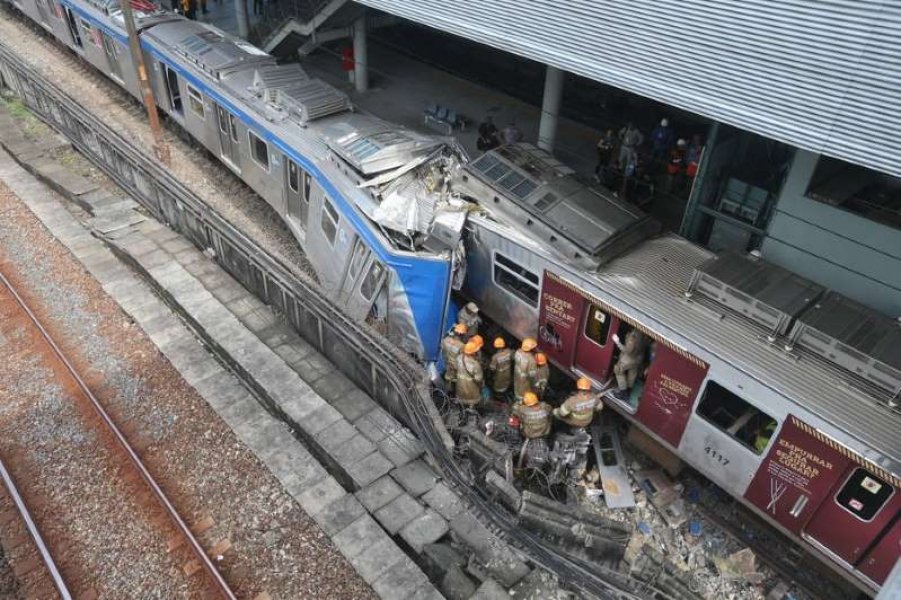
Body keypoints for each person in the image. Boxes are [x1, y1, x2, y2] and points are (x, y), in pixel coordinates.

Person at [610, 329, 649, 402]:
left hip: (629, 359)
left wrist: (617, 342)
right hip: (638, 359)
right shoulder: (646, 335)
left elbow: (627, 350)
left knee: (618, 370)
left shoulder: (633, 336)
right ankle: (629, 390)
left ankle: (623, 393)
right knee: (632, 374)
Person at [455, 340, 484, 408]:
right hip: (471, 388)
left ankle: (462, 407)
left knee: (461, 398)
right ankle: (471, 408)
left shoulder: (459, 358)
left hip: (460, 385)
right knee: (472, 400)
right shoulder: (475, 365)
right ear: (473, 353)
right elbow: (479, 379)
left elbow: (456, 368)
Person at [440, 323, 468, 392]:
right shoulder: (462, 346)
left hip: (445, 361)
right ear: (462, 335)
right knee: (452, 378)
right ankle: (448, 391)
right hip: (454, 365)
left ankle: (445, 388)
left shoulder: (446, 339)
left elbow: (442, 349)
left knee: (447, 374)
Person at [513, 338, 538, 403]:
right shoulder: (531, 360)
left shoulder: (518, 352)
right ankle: (520, 403)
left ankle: (516, 399)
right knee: (523, 395)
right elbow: (532, 375)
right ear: (531, 349)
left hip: (517, 376)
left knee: (517, 388)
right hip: (525, 382)